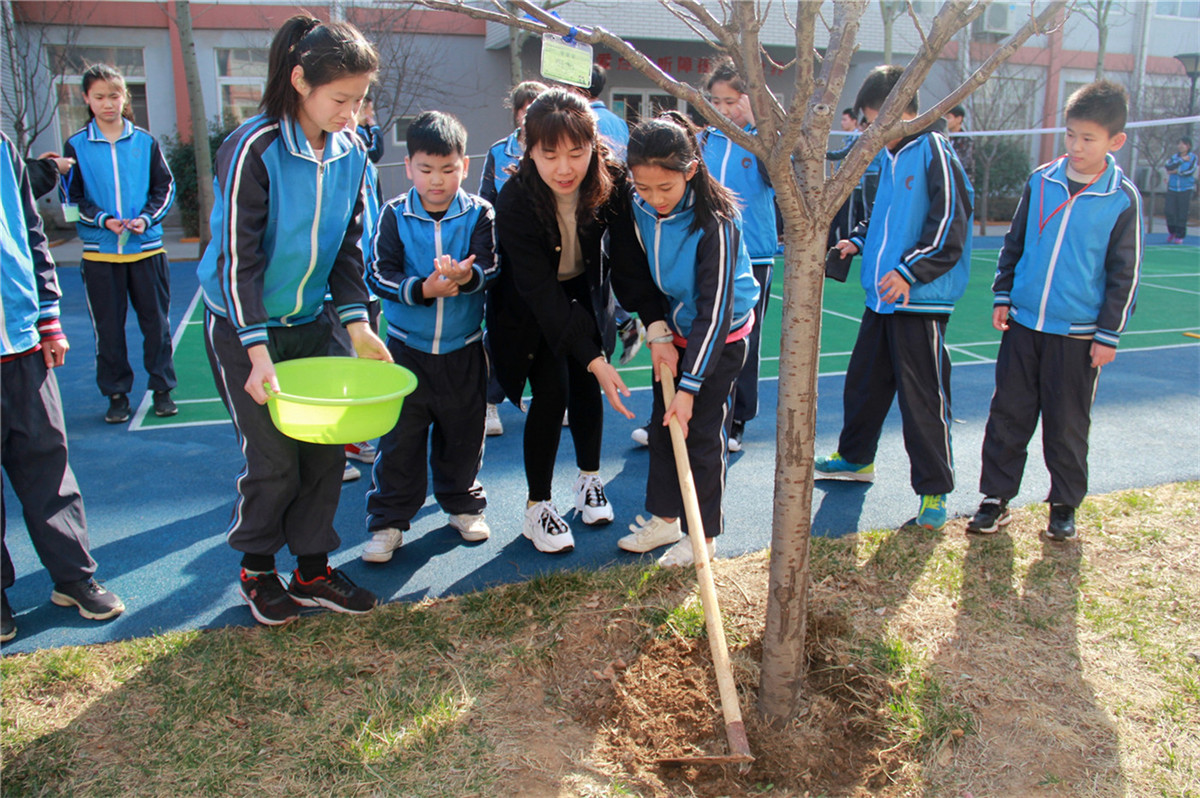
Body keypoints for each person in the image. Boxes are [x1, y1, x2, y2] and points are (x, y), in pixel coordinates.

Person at [196, 15, 391, 625]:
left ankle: (312, 569)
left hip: (312, 321)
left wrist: (357, 327)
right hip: (242, 325)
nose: (352, 113)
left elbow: (348, 247)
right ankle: (257, 570)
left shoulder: (353, 150)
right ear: (300, 80)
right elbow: (238, 259)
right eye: (341, 99)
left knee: (326, 449)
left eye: (360, 100)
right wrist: (256, 353)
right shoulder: (253, 147)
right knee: (275, 457)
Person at [967, 80, 1142, 542]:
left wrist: (1108, 334)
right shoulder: (1040, 180)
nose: (1076, 147)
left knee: (1066, 425)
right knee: (1009, 414)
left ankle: (1063, 506)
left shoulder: (1121, 198)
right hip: (1024, 325)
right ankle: (995, 499)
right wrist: (1003, 293)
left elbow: (1125, 272)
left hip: (1078, 336)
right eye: (1070, 135)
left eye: (1088, 139)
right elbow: (1015, 243)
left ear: (1114, 142)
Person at [818, 65, 974, 532]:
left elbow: (949, 227)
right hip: (882, 297)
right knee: (863, 383)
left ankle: (934, 492)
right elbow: (880, 217)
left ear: (902, 111)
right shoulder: (889, 156)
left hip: (918, 301)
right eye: (865, 121)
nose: (866, 129)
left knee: (922, 398)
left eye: (871, 119)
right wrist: (858, 241)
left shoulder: (934, 152)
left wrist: (909, 273)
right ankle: (855, 457)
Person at [488, 88, 639, 554]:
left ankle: (590, 481)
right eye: (549, 154)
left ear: (594, 145)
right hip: (530, 303)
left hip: (584, 290)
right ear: (528, 149)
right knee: (552, 393)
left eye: (577, 152)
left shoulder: (611, 180)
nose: (565, 168)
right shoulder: (514, 199)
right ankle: (538, 507)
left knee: (586, 390)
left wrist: (651, 322)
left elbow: (630, 261)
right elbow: (537, 289)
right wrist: (595, 357)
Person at [612, 113, 760, 567]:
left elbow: (715, 311)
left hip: (721, 336)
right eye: (643, 188)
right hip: (675, 329)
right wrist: (657, 331)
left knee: (699, 434)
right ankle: (665, 518)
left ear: (690, 171)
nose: (654, 199)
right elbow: (634, 269)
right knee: (663, 425)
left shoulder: (716, 222)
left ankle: (704, 535)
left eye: (665, 189)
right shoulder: (636, 204)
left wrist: (692, 386)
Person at [2, 132, 125, 643]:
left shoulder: (3, 145)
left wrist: (48, 317)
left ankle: (74, 578)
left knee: (47, 464)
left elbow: (30, 230)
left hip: (20, 342)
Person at [361, 111, 497, 563]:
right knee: (399, 440)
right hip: (405, 350)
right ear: (408, 167)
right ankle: (389, 521)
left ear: (465, 165)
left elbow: (494, 267)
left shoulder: (480, 212)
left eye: (448, 169)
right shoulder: (394, 214)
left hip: (464, 350)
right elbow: (379, 274)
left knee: (463, 434)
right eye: (426, 169)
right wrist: (424, 289)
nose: (437, 180)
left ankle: (462, 505)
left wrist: (466, 275)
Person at [63, 63, 178, 424]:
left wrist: (145, 218)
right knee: (108, 330)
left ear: (124, 96)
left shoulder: (144, 141)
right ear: (87, 99)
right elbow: (72, 200)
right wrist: (103, 220)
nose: (108, 103)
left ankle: (162, 389)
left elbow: (165, 187)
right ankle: (116, 395)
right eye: (99, 97)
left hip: (146, 250)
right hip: (100, 255)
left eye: (115, 95)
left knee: (156, 324)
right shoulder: (76, 146)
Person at [698, 58, 778, 453]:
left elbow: (780, 179)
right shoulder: (706, 139)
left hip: (755, 253)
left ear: (751, 98)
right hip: (710, 251)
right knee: (703, 330)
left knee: (746, 336)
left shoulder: (763, 139)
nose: (725, 109)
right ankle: (702, 408)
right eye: (717, 101)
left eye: (732, 100)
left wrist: (762, 128)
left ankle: (738, 419)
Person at [479, 79, 547, 436]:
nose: (530, 114)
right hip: (506, 254)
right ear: (517, 114)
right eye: (525, 108)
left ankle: (550, 398)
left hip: (545, 255)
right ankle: (491, 403)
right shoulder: (497, 151)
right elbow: (485, 202)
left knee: (547, 326)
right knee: (500, 330)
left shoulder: (553, 150)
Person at [583, 64, 642, 368]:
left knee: (594, 279)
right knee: (609, 275)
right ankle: (622, 322)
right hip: (619, 209)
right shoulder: (618, 122)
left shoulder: (582, 120)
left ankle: (619, 323)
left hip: (595, 211)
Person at [826, 108, 863, 248]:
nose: (842, 123)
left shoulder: (857, 137)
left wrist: (820, 153)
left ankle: (847, 244)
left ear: (854, 121)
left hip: (851, 183)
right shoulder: (846, 137)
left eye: (845, 119)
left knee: (847, 217)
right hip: (839, 183)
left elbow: (843, 154)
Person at [1164, 136, 1196, 244]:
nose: (1181, 146)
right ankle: (1172, 231)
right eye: (1179, 143)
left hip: (1185, 189)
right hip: (1172, 188)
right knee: (1169, 211)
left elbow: (1190, 171)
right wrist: (1181, 161)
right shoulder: (1174, 157)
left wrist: (1176, 172)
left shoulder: (1193, 157)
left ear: (1188, 146)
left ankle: (1180, 235)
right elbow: (1168, 166)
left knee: (1182, 212)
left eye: (1183, 144)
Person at [944, 104, 974, 181]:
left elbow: (966, 166)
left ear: (959, 119)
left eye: (948, 117)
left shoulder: (967, 141)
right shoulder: (943, 138)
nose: (945, 120)